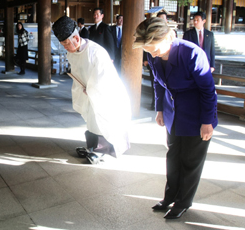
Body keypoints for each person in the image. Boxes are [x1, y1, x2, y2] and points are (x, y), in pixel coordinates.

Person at [133, 17, 217, 220]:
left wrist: (207, 122)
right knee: (173, 157)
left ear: (168, 37)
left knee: (190, 161)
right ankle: (169, 197)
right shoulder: (153, 55)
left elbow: (208, 90)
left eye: (154, 48)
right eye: (148, 49)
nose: (151, 53)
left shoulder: (192, 53)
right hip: (173, 113)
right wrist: (160, 109)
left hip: (196, 115)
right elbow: (158, 84)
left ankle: (183, 202)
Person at [52, 16, 130, 164]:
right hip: (88, 90)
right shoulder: (72, 52)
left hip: (105, 93)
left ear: (75, 37)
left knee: (102, 119)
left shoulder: (96, 52)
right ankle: (93, 147)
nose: (65, 48)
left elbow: (103, 77)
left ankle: (103, 151)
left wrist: (93, 89)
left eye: (66, 43)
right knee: (91, 119)